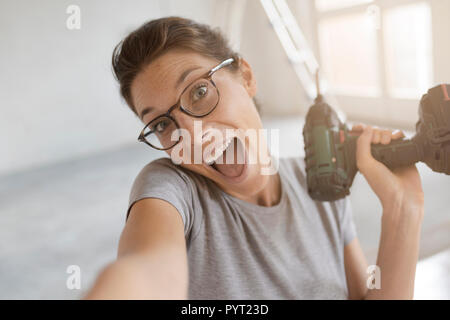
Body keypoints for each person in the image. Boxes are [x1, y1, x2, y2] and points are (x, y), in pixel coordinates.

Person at [84, 17, 424, 299]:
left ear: (245, 76)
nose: (192, 136)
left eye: (199, 92)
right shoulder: (172, 189)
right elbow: (147, 269)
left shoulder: (321, 183)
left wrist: (403, 213)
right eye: (161, 123)